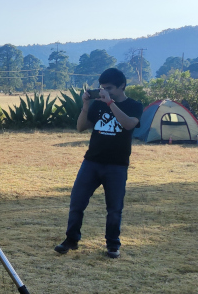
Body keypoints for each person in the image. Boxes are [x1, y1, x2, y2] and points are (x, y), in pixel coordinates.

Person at [54, 68, 144, 259]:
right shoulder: (97, 105)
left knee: (114, 209)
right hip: (91, 162)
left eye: (109, 88)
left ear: (122, 86)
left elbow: (129, 124)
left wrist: (110, 103)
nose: (105, 92)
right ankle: (71, 240)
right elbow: (80, 128)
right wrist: (86, 106)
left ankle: (113, 245)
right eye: (102, 88)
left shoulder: (134, 105)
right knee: (76, 203)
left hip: (117, 165)